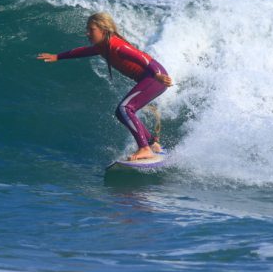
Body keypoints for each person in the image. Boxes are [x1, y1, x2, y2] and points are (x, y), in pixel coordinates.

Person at [37, 12, 172, 161]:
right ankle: (153, 144)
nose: (87, 33)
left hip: (155, 76)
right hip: (152, 77)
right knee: (122, 112)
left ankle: (145, 148)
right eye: (87, 29)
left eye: (91, 29)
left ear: (104, 30)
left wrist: (156, 75)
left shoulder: (117, 46)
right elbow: (83, 51)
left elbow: (144, 59)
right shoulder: (103, 46)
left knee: (124, 109)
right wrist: (58, 56)